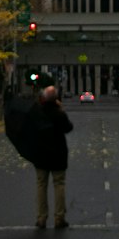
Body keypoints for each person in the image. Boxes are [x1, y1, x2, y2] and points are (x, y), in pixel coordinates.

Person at [28, 85, 73, 229]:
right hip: (57, 154)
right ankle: (59, 217)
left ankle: (41, 218)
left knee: (41, 185)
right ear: (56, 99)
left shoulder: (38, 112)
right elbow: (68, 128)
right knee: (59, 184)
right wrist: (61, 110)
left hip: (40, 154)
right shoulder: (58, 113)